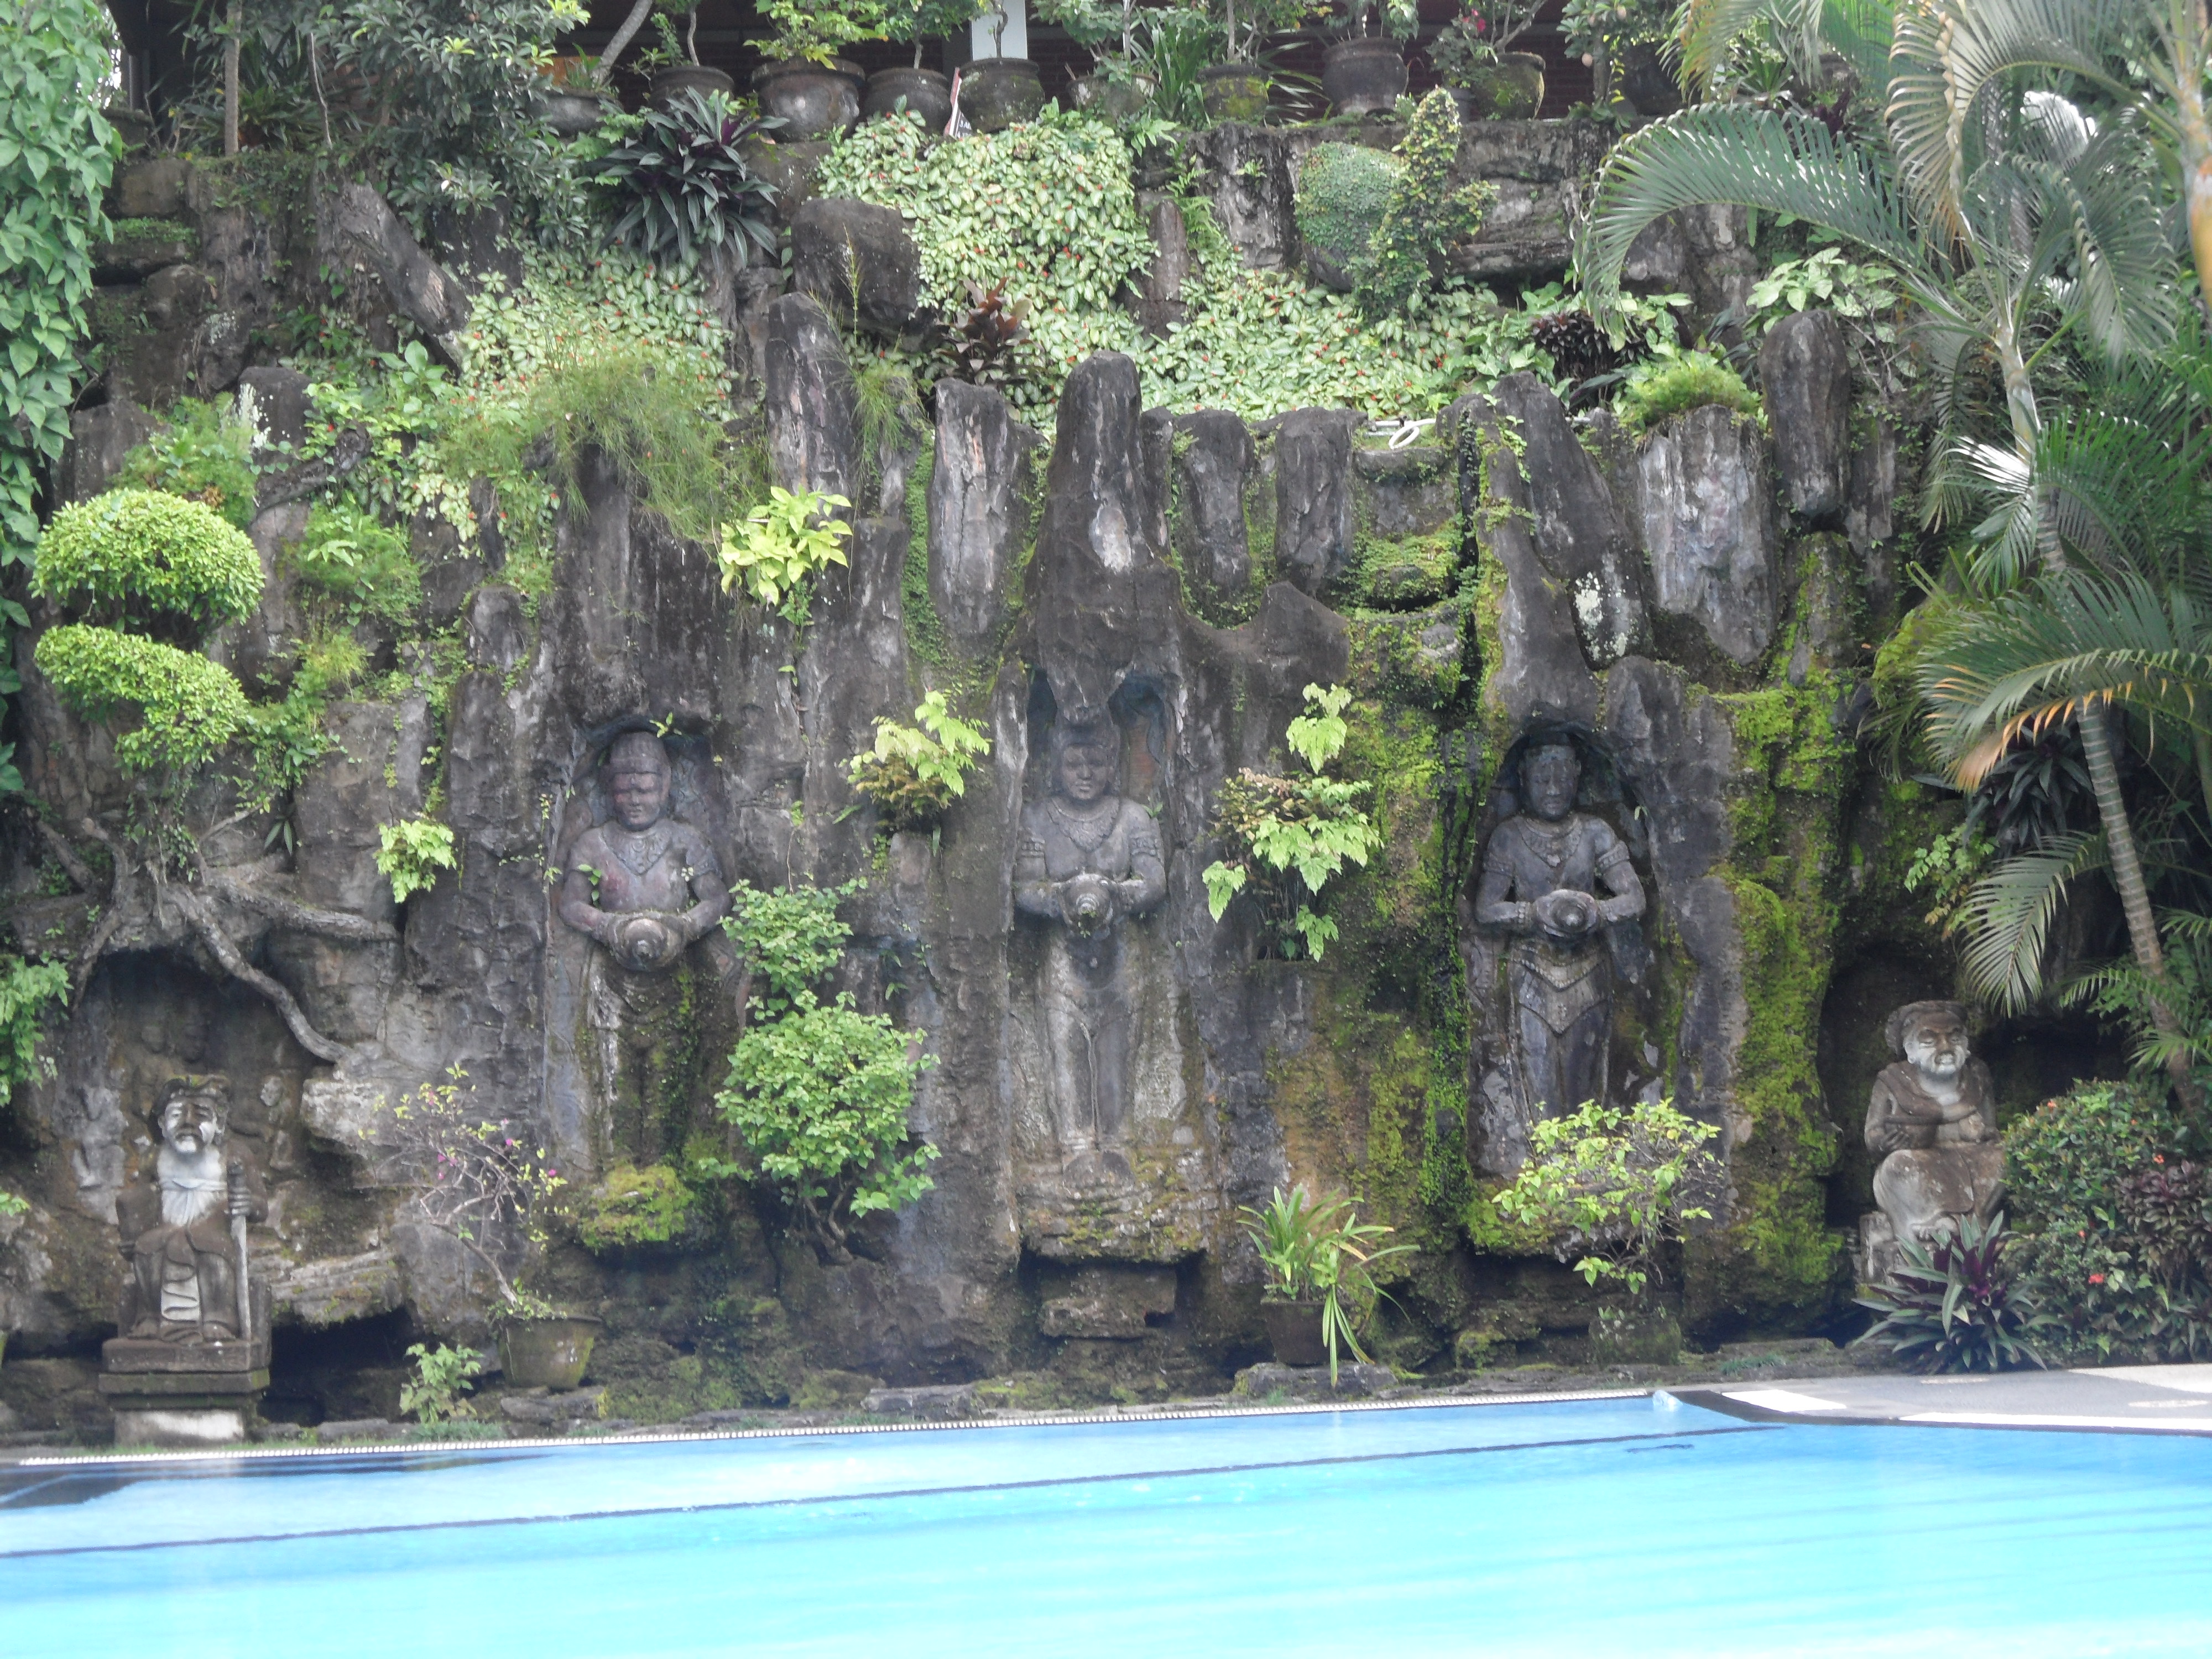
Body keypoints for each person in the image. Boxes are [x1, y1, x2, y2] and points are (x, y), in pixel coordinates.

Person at [559, 731, 731, 1162]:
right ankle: (616, 1171)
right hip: (611, 981)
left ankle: (663, 1169)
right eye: (625, 789)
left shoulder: (684, 840)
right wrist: (608, 926)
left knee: (667, 1081)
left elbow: (717, 899)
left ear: (666, 786)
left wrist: (683, 927)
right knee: (613, 1083)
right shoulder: (593, 843)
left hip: (675, 979)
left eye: (646, 789)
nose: (635, 799)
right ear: (608, 788)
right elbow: (571, 905)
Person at [1014, 722, 1166, 1180]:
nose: (1085, 773)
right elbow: (1024, 888)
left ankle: (1117, 1143)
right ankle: (1076, 1146)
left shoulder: (1133, 818)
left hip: (1120, 956)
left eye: (1096, 763)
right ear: (1056, 767)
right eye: (1074, 763)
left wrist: (1116, 895)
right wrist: (1061, 898)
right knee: (1066, 1047)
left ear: (1112, 766)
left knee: (1116, 1049)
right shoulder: (1037, 818)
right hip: (1062, 959)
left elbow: (1155, 882)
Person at [1473, 739, 1646, 1130]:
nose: (1553, 789)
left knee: (1584, 1077)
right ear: (1523, 779)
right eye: (1542, 779)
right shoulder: (1509, 836)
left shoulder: (1594, 832)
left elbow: (1634, 898)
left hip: (1588, 969)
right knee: (1539, 1077)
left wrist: (1595, 912)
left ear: (1577, 778)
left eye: (1563, 778)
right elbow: (1486, 909)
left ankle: (1583, 1155)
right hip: (1531, 970)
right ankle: (1544, 1159)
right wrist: (1532, 913)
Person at [115, 1076, 265, 1345]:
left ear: (219, 1123)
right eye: (177, 1115)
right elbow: (143, 1198)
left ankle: (218, 1319)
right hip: (165, 1228)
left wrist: (248, 1203)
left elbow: (261, 1206)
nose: (188, 1123)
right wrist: (132, 1231)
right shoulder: (154, 1157)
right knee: (146, 1249)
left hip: (215, 1230)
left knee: (211, 1252)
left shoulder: (234, 1155)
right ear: (162, 1125)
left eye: (201, 1115)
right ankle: (150, 1317)